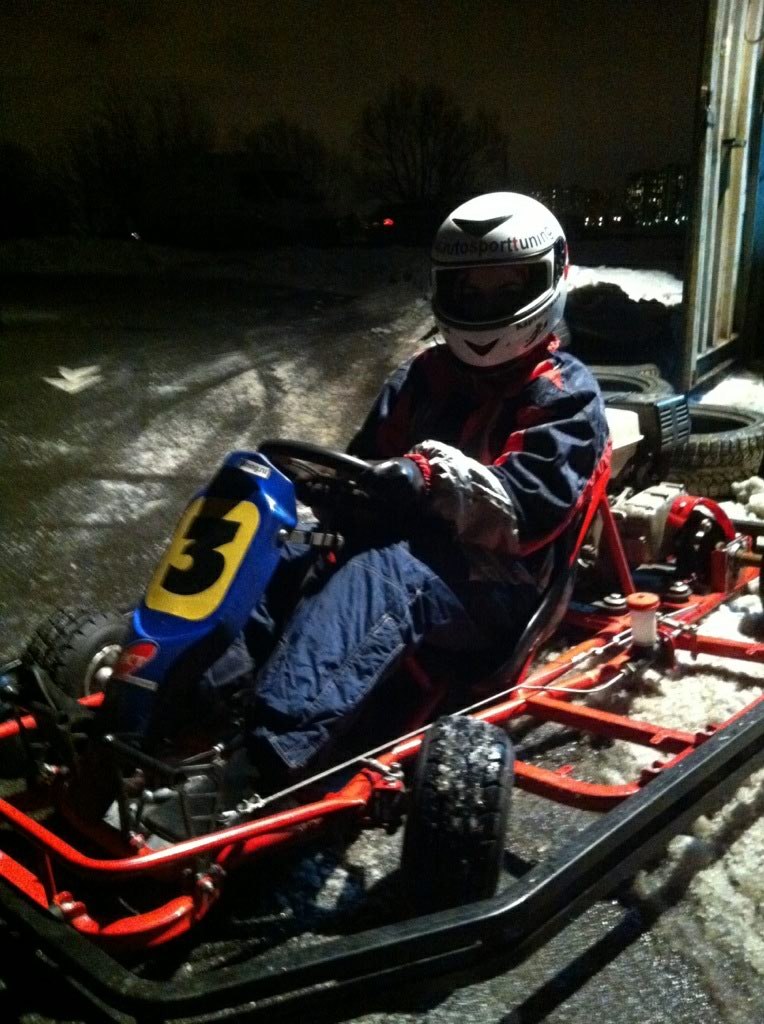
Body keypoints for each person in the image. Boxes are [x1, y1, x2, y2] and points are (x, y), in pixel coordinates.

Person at [203, 191, 610, 793]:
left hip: (505, 584)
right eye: (470, 290)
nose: (485, 305)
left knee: (387, 574)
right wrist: (336, 497)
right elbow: (365, 464)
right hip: (412, 554)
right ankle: (202, 696)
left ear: (549, 280)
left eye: (505, 288)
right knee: (284, 546)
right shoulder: (423, 376)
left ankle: (264, 764)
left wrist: (427, 479)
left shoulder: (564, 394)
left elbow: (526, 509)